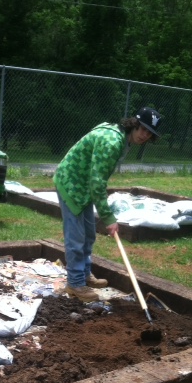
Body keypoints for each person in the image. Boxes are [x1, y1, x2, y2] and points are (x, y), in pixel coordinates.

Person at [53, 107, 162, 303]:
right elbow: (97, 182)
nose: (144, 135)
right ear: (135, 124)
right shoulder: (112, 143)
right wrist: (108, 218)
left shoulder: (120, 136)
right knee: (76, 237)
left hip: (83, 185)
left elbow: (95, 178)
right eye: (143, 129)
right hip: (70, 183)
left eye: (149, 133)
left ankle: (84, 274)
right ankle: (75, 283)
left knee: (89, 234)